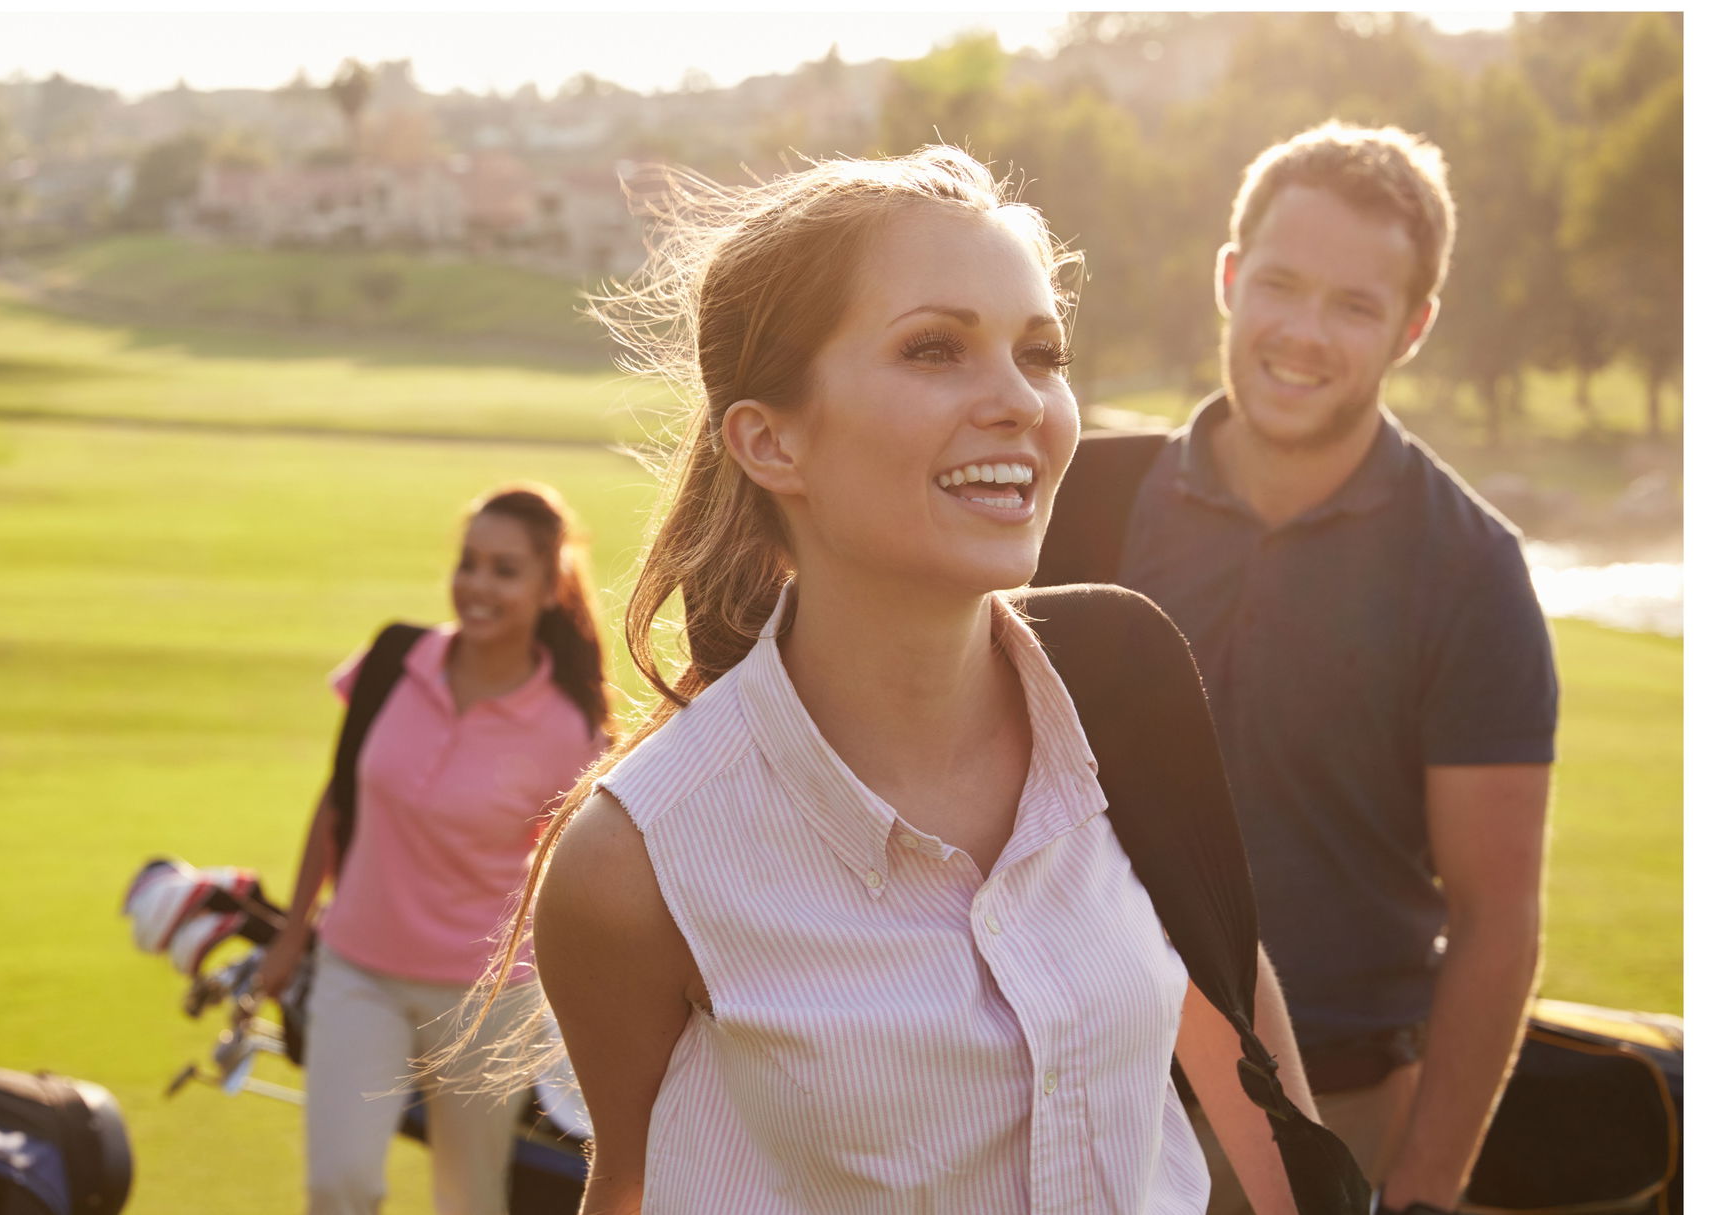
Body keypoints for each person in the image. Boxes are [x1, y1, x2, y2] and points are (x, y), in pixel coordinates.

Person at [448, 147, 1345, 1214]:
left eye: (1040, 353)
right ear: (770, 441)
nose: (1018, 401)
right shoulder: (636, 864)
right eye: (934, 350)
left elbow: (1248, 1066)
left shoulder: (1132, 693)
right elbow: (633, 1188)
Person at [1040, 123, 1557, 1215]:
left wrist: (1418, 1194)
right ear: (1229, 278)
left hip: (1329, 1111)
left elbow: (1497, 914)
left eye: (1354, 305)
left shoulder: (1469, 568)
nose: (1303, 334)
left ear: (1410, 328)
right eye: (1280, 284)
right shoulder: (1077, 498)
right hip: (1066, 1085)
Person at [251, 483, 610, 1215]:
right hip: (357, 971)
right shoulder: (393, 661)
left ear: (549, 587)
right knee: (339, 1184)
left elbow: (575, 872)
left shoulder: (571, 727)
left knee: (467, 1199)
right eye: (469, 562)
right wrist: (291, 939)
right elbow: (337, 799)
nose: (477, 585)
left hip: (485, 1000)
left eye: (504, 570)